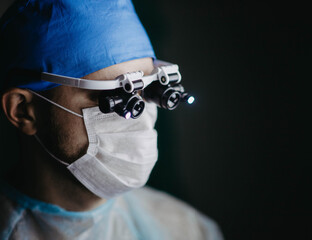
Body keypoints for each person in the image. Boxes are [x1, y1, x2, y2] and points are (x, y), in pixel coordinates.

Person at [0, 0, 223, 239]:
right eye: (114, 95)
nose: (139, 117)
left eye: (148, 90)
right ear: (23, 111)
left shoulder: (190, 230)